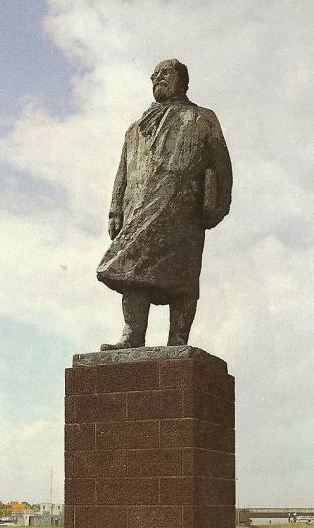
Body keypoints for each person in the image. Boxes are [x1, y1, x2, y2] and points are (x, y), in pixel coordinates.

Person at [97, 58, 232, 349]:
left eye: (165, 73)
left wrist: (219, 205)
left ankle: (178, 338)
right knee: (131, 271)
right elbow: (123, 170)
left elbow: (222, 167)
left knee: (182, 278)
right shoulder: (135, 129)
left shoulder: (202, 118)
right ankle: (132, 335)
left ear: (183, 81)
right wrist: (115, 209)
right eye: (154, 75)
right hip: (139, 210)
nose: (156, 78)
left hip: (182, 210)